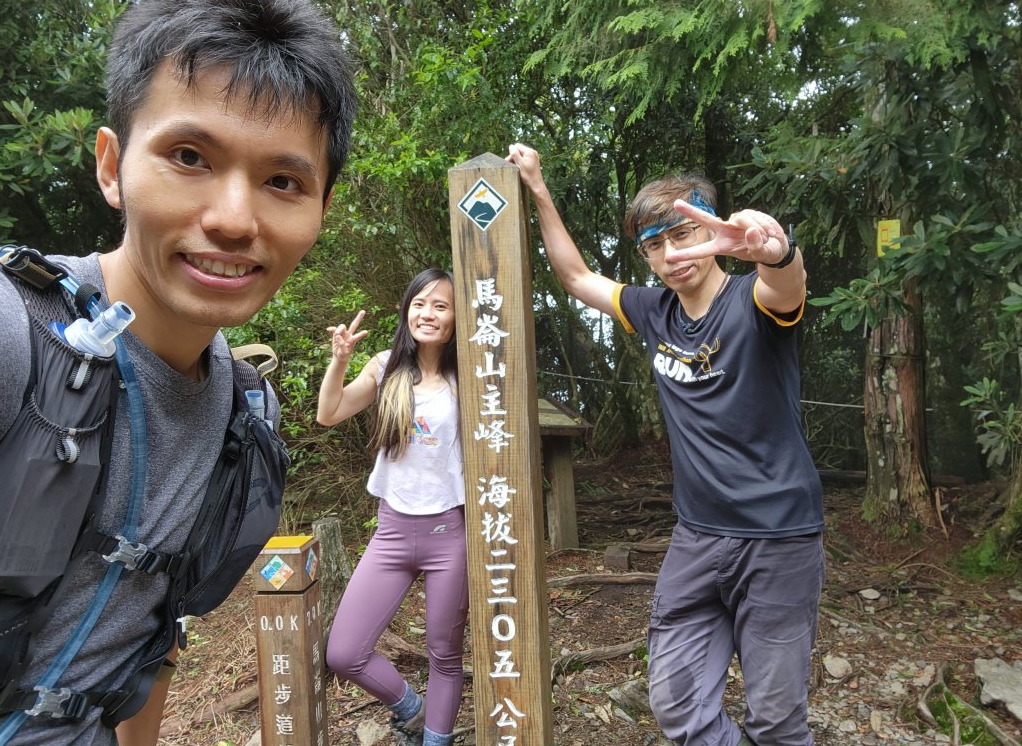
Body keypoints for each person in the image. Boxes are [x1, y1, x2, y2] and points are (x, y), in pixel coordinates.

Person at [0, 0, 355, 743]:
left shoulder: (243, 420)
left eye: (283, 181)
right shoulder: (14, 332)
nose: (233, 219)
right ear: (111, 165)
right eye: (189, 156)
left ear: (321, 210)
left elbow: (149, 640)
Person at [508, 143, 825, 746]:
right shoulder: (654, 311)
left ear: (712, 230)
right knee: (677, 702)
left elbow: (785, 287)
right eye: (655, 245)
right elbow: (576, 278)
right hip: (697, 536)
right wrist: (539, 189)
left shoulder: (753, 303)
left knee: (779, 719)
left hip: (779, 538)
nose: (670, 256)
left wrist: (777, 254)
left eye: (681, 235)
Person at [316, 269, 468, 746]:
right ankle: (409, 707)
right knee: (344, 652)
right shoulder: (385, 367)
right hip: (393, 530)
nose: (429, 313)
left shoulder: (467, 377)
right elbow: (329, 412)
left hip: (452, 531)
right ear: (407, 308)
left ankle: (436, 739)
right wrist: (340, 361)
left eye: (441, 306)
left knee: (444, 655)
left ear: (457, 315)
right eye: (421, 303)